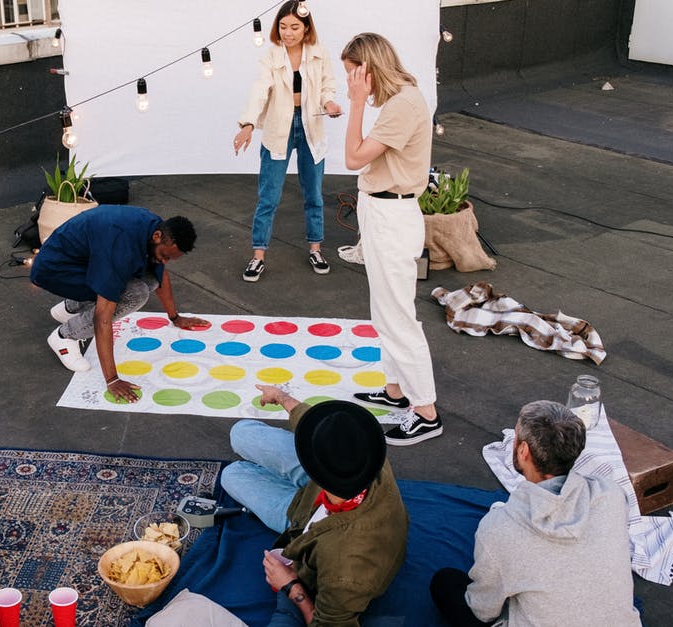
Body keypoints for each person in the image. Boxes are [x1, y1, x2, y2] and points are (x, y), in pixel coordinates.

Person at [429, 401, 641, 627]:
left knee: (446, 583)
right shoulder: (612, 494)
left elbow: (483, 610)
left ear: (523, 451)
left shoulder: (498, 529)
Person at [221, 385, 408, 626]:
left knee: (232, 475)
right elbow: (321, 429)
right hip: (321, 495)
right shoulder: (366, 454)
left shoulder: (345, 569)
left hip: (306, 522)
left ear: (313, 468)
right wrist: (281, 397)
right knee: (241, 431)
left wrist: (291, 586)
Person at [341, 33, 441, 446]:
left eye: (352, 74)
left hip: (392, 214)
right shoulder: (403, 99)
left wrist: (357, 103)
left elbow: (352, 158)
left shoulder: (401, 105)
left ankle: (426, 410)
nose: (349, 81)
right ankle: (397, 391)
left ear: (368, 69)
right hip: (384, 209)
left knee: (397, 315)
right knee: (385, 311)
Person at [30, 204, 209, 403]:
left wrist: (175, 317)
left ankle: (70, 308)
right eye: (165, 256)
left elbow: (160, 277)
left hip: (83, 262)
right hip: (54, 270)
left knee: (150, 279)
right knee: (136, 294)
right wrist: (112, 379)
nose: (165, 261)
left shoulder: (155, 229)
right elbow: (103, 317)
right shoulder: (120, 245)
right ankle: (64, 337)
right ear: (157, 236)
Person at [233, 0, 342, 283]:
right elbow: (260, 89)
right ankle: (258, 256)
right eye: (283, 26)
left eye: (294, 27)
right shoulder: (270, 56)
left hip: (311, 127)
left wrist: (329, 102)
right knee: (268, 196)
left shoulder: (319, 54)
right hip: (278, 128)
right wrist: (247, 124)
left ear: (307, 29)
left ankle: (316, 249)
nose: (288, 32)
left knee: (314, 195)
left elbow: (327, 85)